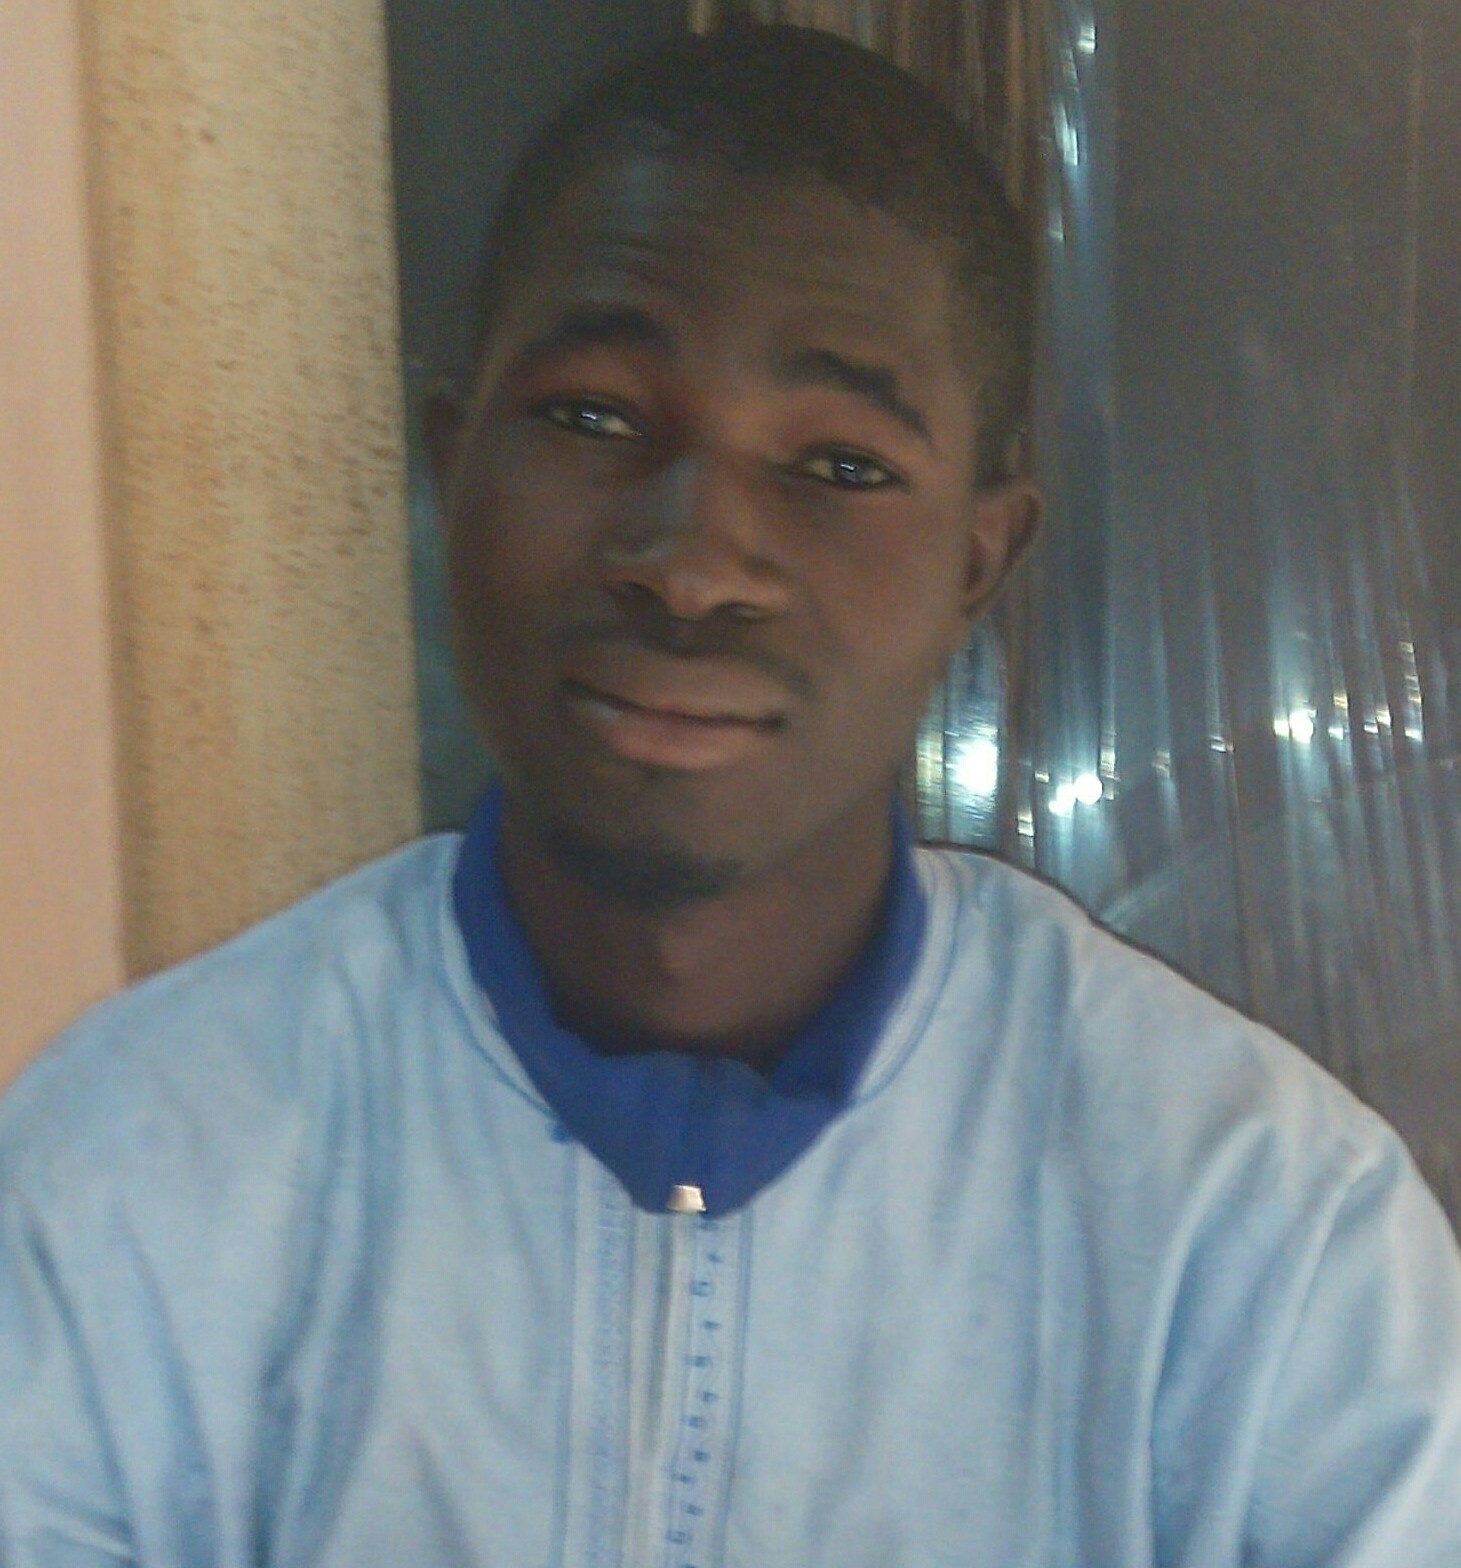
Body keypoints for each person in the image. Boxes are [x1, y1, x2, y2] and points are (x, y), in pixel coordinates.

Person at [3, 21, 1460, 1567]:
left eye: (839, 467)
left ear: (976, 561)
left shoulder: (1259, 1244)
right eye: (591, 415)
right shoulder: (133, 1169)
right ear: (449, 462)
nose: (694, 568)